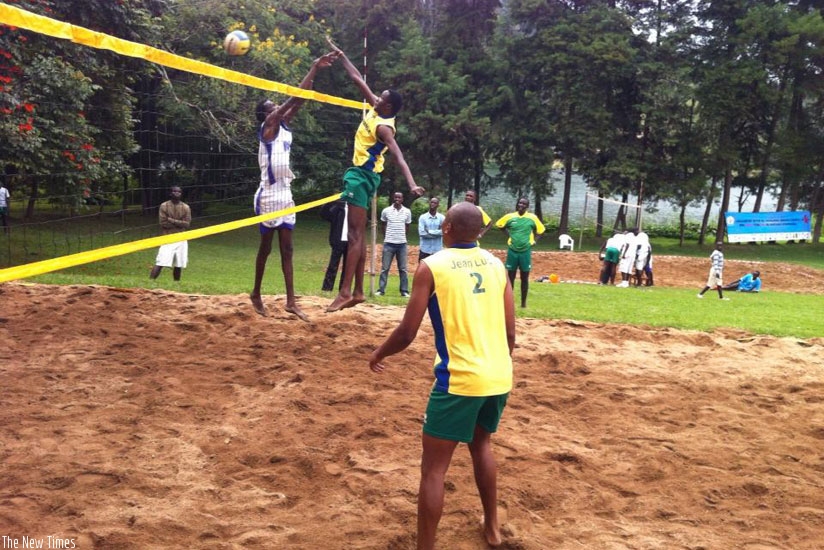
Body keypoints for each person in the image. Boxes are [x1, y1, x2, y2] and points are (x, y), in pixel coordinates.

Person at [369, 202, 516, 550]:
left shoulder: (431, 267)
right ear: (479, 231)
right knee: (481, 444)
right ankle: (492, 527)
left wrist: (378, 353)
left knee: (433, 470)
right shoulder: (497, 265)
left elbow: (407, 333)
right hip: (498, 374)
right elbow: (511, 334)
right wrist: (495, 364)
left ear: (446, 227)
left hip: (460, 379)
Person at [325, 36, 425, 312]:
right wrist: (341, 53)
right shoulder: (376, 108)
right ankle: (357, 291)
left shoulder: (384, 126)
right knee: (358, 235)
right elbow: (358, 79)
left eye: (381, 97)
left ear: (388, 106)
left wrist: (412, 184)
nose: (376, 97)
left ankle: (345, 292)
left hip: (361, 176)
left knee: (355, 236)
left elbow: (398, 154)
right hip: (363, 176)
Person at [249, 51, 338, 321]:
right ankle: (255, 293)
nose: (276, 108)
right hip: (268, 196)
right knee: (266, 248)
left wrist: (315, 72)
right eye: (271, 107)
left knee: (288, 249)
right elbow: (292, 99)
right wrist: (311, 68)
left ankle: (290, 302)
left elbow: (300, 97)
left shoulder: (284, 126)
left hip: (285, 194)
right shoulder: (268, 127)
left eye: (276, 106)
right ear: (265, 115)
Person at [494, 197, 546, 308]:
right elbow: (499, 225)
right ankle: (510, 303)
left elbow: (541, 231)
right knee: (510, 278)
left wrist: (534, 241)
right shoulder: (510, 217)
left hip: (525, 252)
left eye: (524, 204)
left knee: (524, 278)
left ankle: (523, 303)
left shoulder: (532, 218)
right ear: (517, 204)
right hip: (512, 251)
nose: (521, 205)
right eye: (520, 203)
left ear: (527, 206)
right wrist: (509, 235)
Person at [149, 186, 191, 281]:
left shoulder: (186, 207)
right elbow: (163, 223)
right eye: (174, 191)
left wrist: (171, 220)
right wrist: (179, 223)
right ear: (170, 193)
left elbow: (187, 224)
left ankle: (176, 284)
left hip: (181, 238)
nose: (177, 193)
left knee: (178, 264)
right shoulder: (164, 206)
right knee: (161, 261)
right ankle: (150, 282)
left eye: (179, 192)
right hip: (167, 237)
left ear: (181, 194)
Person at [377, 191, 413, 297]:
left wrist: (402, 236)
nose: (397, 199)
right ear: (393, 198)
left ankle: (404, 291)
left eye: (399, 197)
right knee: (385, 268)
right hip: (389, 243)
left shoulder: (407, 211)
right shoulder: (386, 211)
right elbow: (383, 224)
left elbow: (407, 226)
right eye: (396, 197)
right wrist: (387, 236)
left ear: (402, 199)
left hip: (402, 244)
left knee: (403, 269)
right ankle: (381, 290)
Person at [320, 200, 348, 292]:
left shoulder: (356, 208)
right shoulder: (338, 207)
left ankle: (343, 288)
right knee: (333, 264)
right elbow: (325, 214)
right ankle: (327, 287)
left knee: (347, 266)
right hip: (338, 240)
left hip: (351, 242)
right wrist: (329, 203)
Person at [418, 196, 444, 261]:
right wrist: (437, 233)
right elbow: (422, 233)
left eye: (435, 203)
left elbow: (444, 232)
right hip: (425, 249)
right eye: (431, 202)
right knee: (422, 270)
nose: (433, 204)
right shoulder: (423, 217)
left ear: (438, 205)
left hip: (437, 250)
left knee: (437, 270)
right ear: (429, 203)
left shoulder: (442, 218)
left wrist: (429, 231)